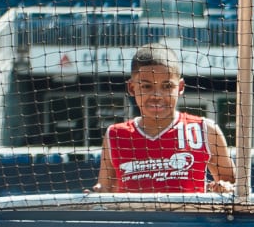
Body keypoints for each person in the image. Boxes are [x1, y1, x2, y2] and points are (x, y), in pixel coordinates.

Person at [93, 43, 236, 194]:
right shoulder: (114, 134)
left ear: (180, 87)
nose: (157, 95)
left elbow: (236, 189)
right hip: (132, 217)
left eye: (167, 86)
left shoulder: (206, 130)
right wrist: (96, 195)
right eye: (146, 87)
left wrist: (225, 188)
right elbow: (104, 193)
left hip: (190, 218)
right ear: (132, 88)